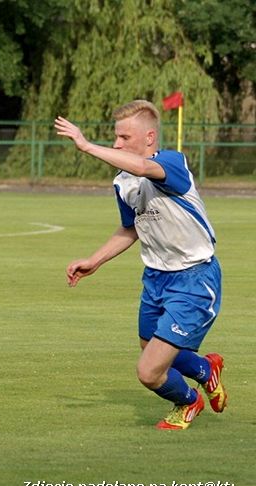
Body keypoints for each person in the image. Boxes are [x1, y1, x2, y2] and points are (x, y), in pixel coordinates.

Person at [54, 100, 227, 430]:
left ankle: (188, 402)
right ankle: (206, 369)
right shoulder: (123, 182)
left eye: (124, 138)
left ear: (149, 137)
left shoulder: (172, 163)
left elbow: (146, 169)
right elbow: (131, 227)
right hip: (155, 278)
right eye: (115, 138)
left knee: (149, 371)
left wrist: (87, 146)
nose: (117, 144)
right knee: (152, 347)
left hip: (193, 278)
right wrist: (95, 260)